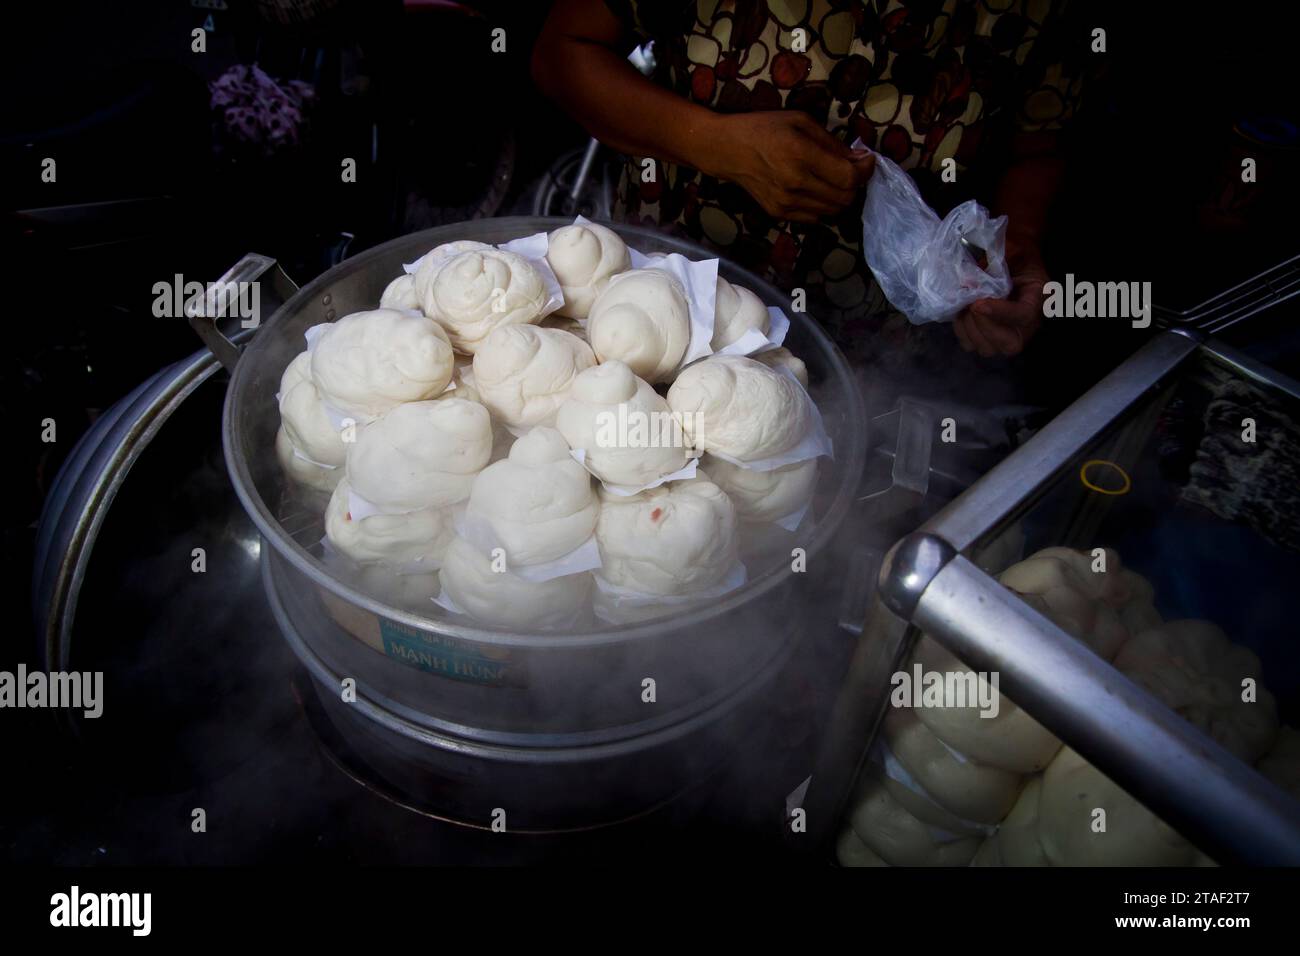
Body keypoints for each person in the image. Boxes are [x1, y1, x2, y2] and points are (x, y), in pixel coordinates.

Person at [532, 0, 1088, 365]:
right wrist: (713, 143)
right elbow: (564, 52)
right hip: (650, 298)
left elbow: (1040, 142)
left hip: (872, 351)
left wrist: (1011, 253)